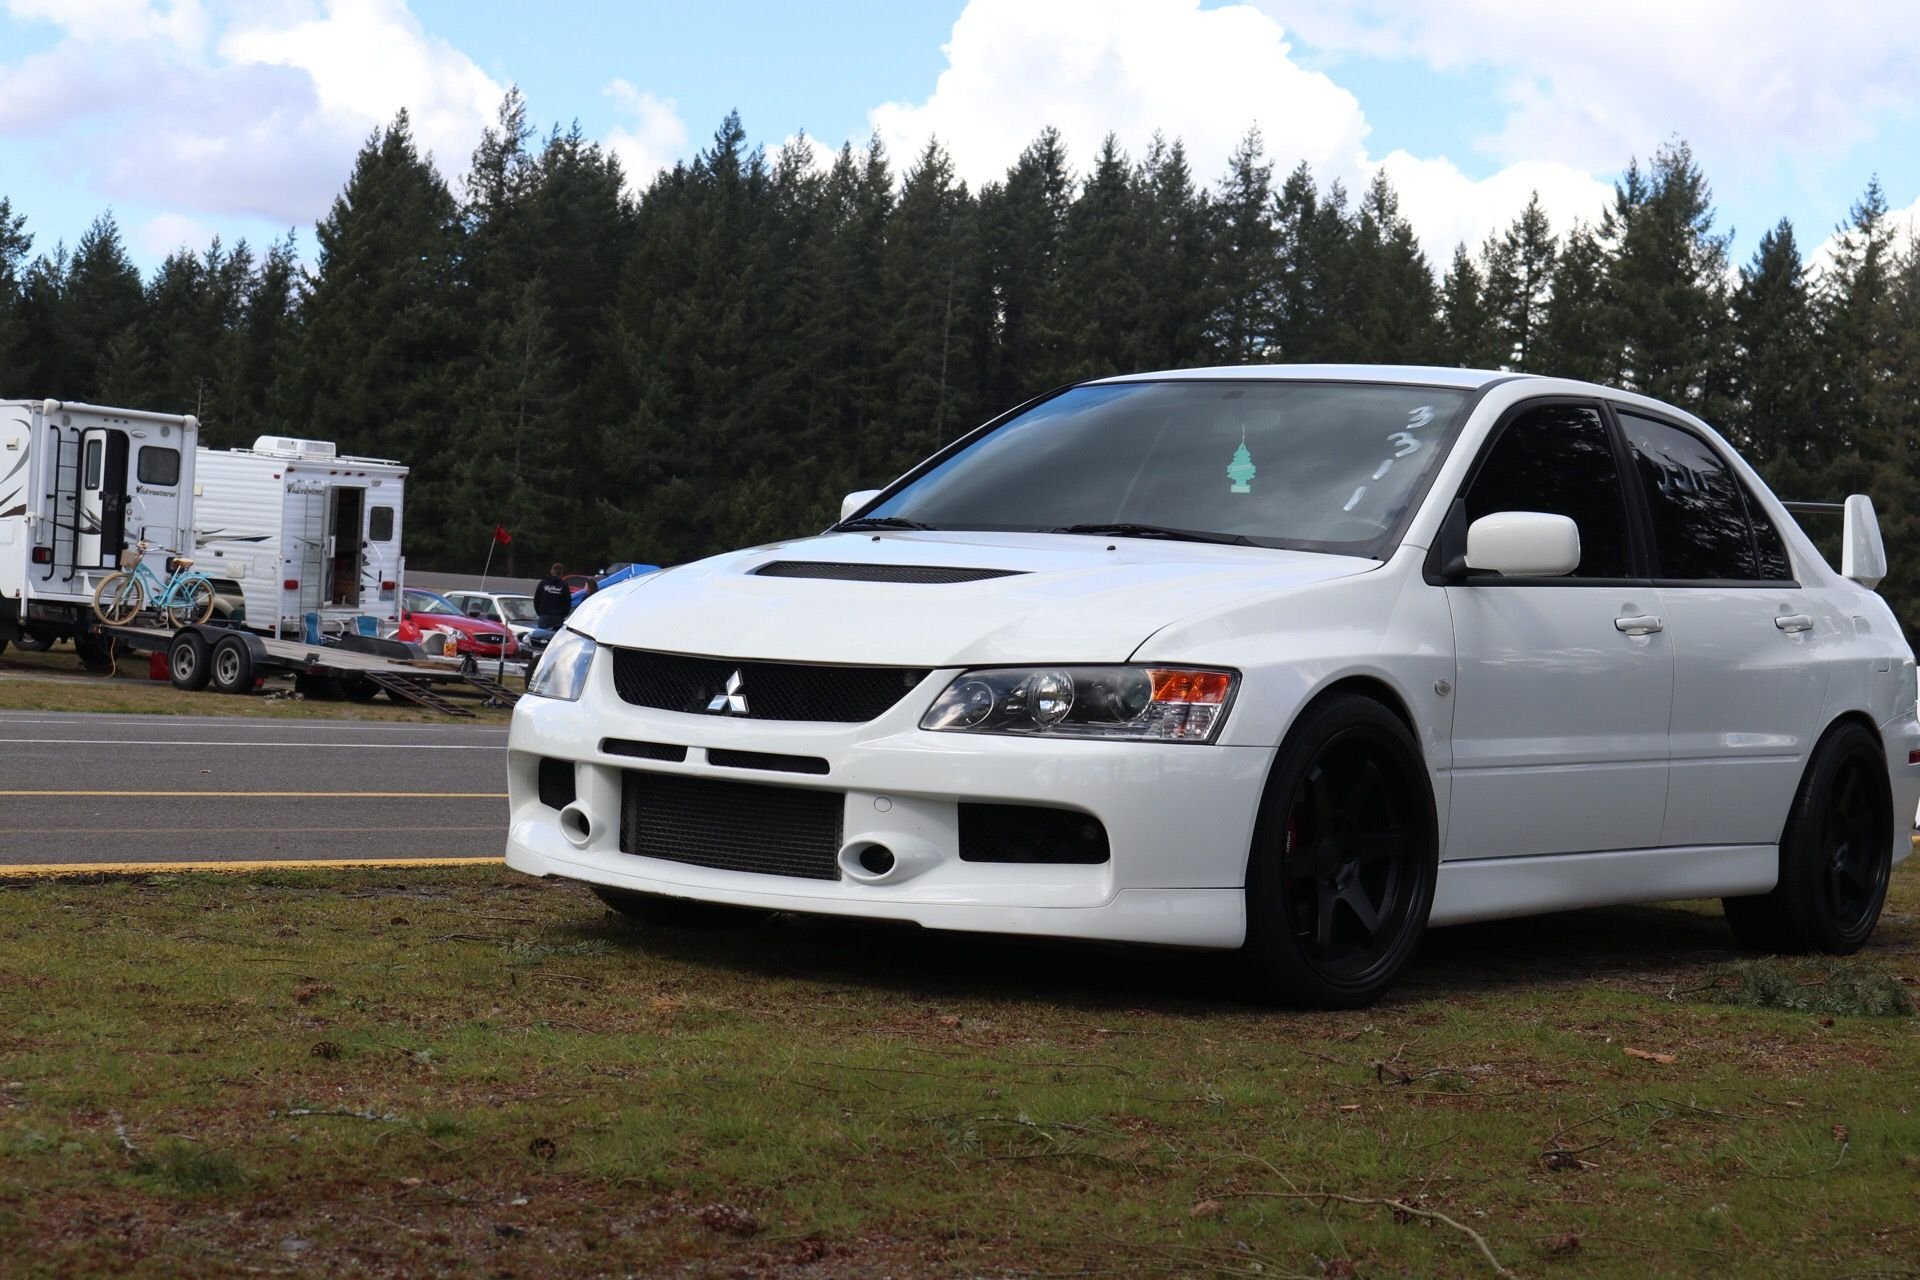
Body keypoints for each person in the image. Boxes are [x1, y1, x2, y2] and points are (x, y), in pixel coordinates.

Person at [533, 563, 572, 631]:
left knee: (540, 638)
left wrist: (540, 613)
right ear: (561, 573)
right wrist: (562, 615)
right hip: (558, 618)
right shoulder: (564, 585)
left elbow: (536, 600)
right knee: (555, 639)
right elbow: (568, 602)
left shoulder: (543, 583)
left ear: (551, 571)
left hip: (544, 617)